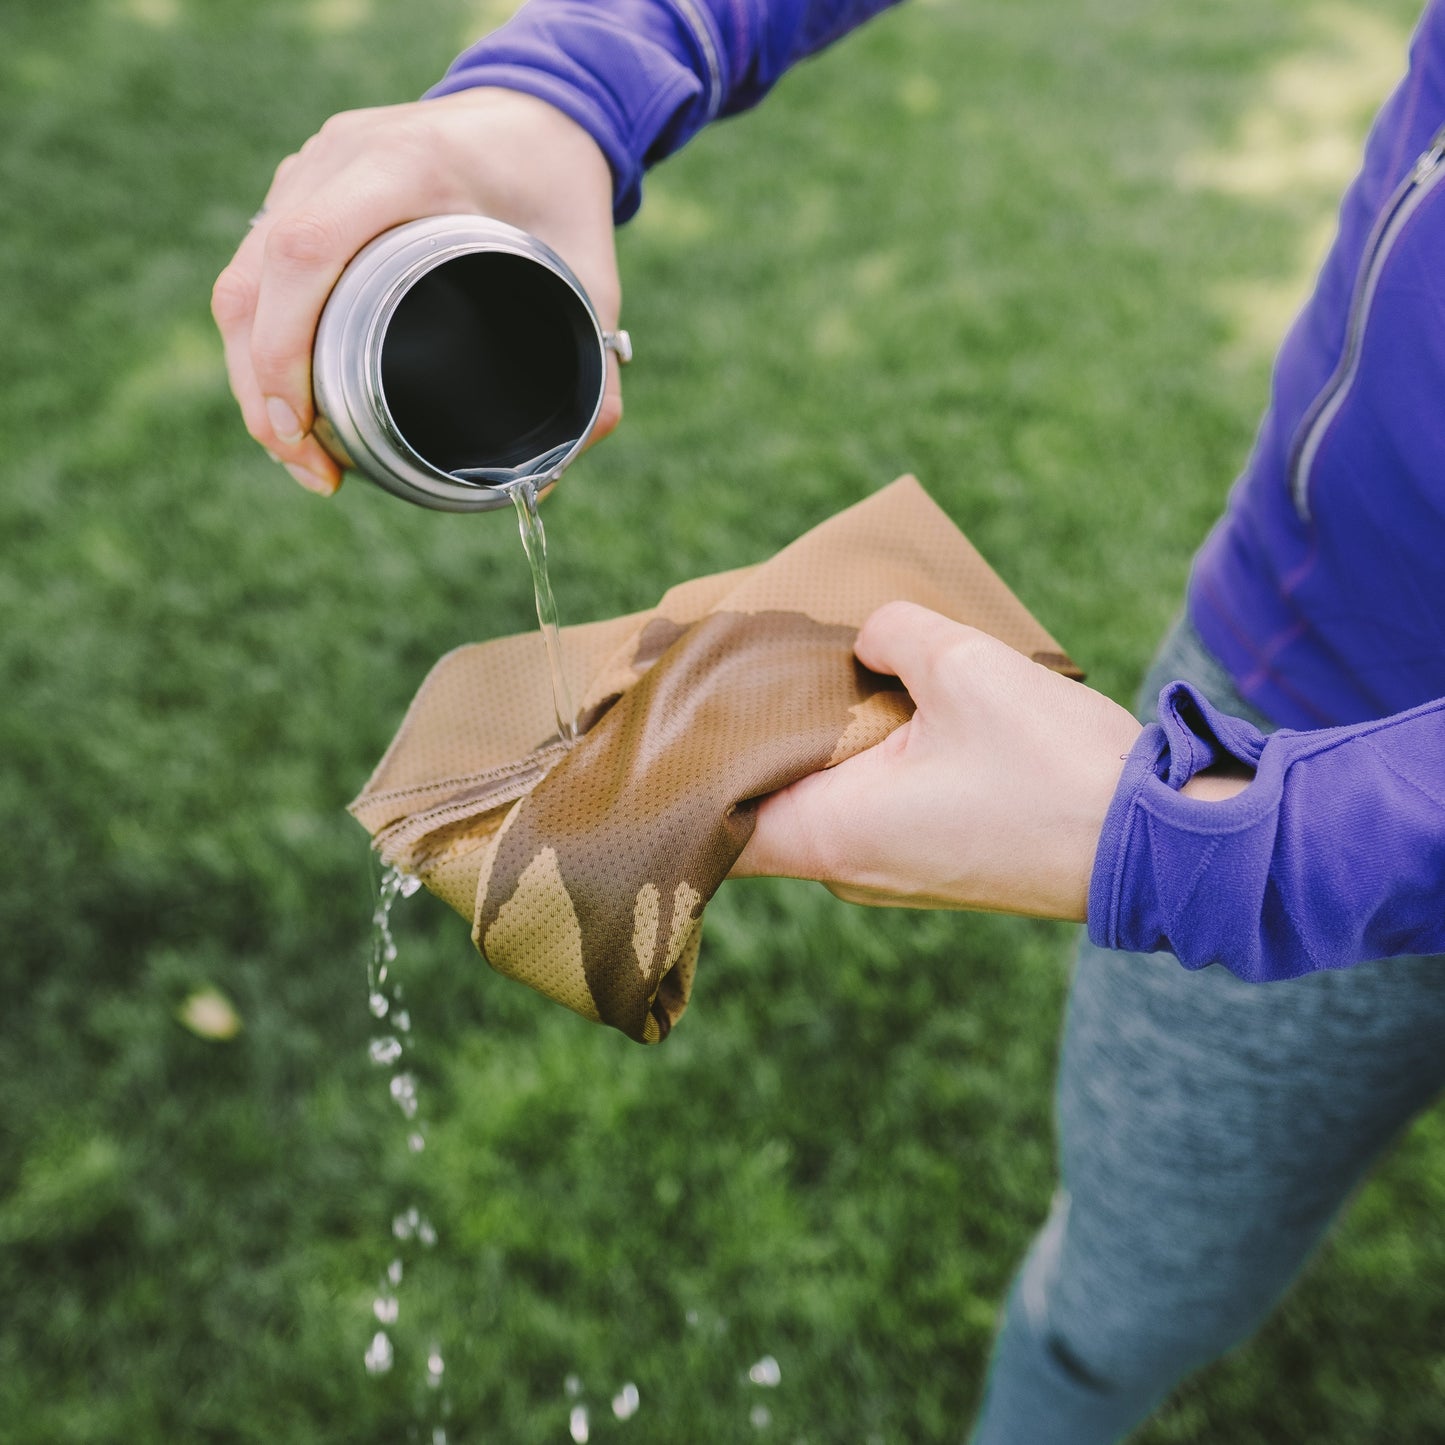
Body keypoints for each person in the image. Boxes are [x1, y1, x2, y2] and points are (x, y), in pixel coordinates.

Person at [211, 2, 1445, 1439]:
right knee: (1128, 1297)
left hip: (1246, 785)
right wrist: (582, 73)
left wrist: (1244, 850)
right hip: (1309, 673)